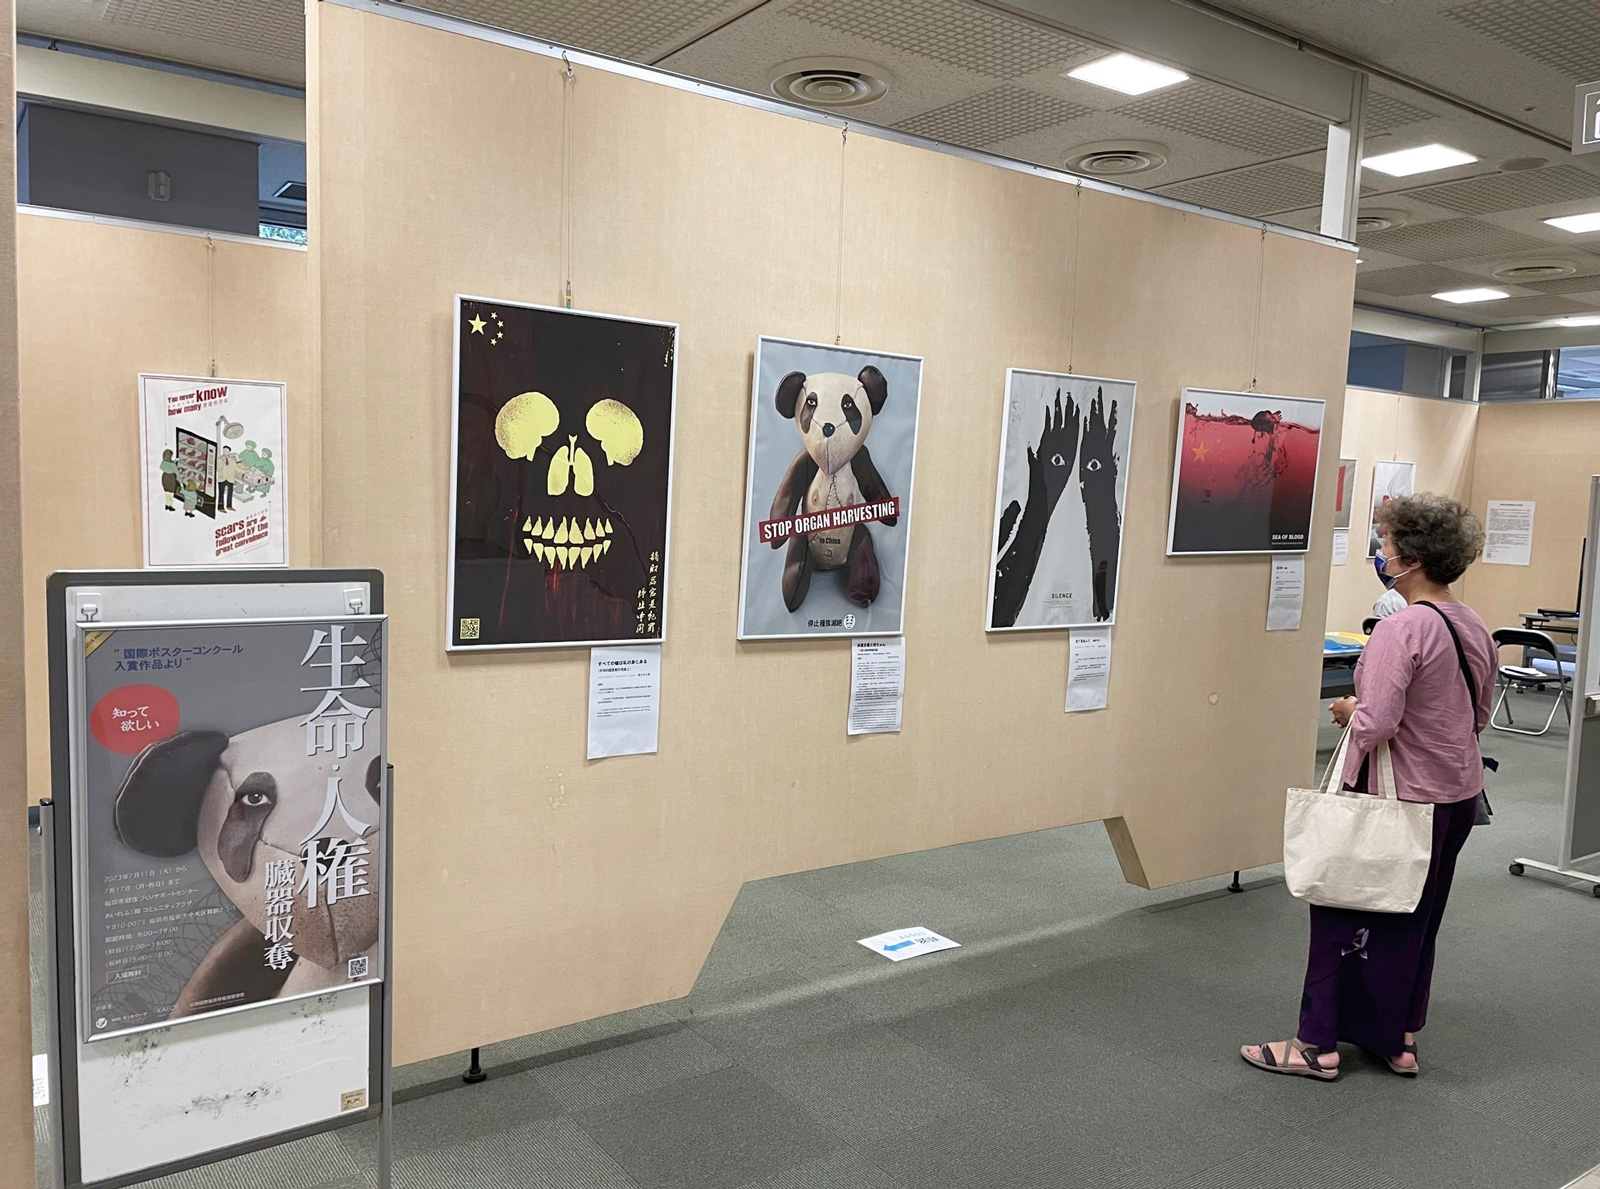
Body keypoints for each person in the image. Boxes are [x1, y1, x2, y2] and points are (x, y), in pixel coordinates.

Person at [1242, 493, 1492, 1080]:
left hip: (1395, 798)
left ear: (1414, 558)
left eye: (1388, 544)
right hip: (1456, 797)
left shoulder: (1401, 629)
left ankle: (1316, 1045)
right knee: (1415, 919)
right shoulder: (1474, 625)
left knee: (1342, 913)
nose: (1382, 553)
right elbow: (1478, 715)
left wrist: (1348, 708)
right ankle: (1396, 1038)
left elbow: (1376, 722)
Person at [218, 447, 237, 512]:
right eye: (224, 450)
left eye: (226, 451)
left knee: (230, 493)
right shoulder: (219, 459)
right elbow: (218, 468)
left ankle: (229, 506)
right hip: (222, 478)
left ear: (229, 452)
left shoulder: (231, 460)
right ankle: (220, 507)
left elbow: (235, 468)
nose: (225, 452)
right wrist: (221, 461)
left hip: (230, 478)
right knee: (221, 493)